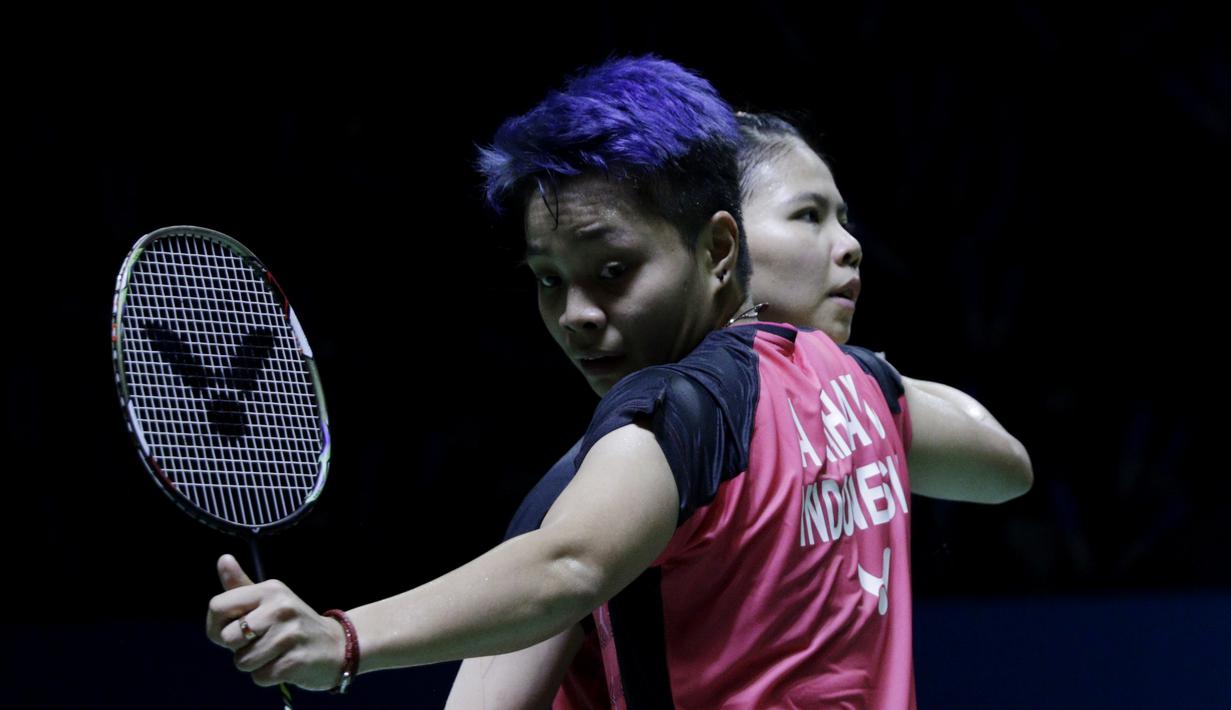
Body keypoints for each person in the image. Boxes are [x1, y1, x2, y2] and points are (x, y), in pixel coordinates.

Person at [206, 57, 1031, 708]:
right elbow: (1003, 468)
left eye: (611, 270)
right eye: (547, 279)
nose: (575, 315)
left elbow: (566, 565)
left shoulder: (657, 429)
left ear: (717, 248)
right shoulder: (856, 385)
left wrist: (338, 640)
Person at [444, 112, 1033, 708]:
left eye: (843, 219)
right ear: (720, 242)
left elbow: (1005, 467)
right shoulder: (588, 491)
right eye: (808, 215)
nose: (851, 246)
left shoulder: (837, 396)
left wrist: (832, 371)